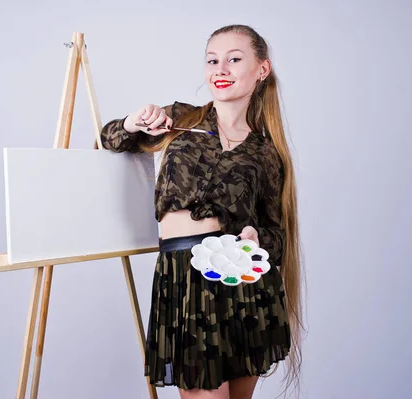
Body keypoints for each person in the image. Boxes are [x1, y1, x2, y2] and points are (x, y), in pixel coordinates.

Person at [100, 24, 303, 399]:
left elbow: (277, 235)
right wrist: (134, 121)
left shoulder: (265, 153)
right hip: (183, 279)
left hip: (241, 282)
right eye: (212, 60)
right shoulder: (181, 119)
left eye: (234, 59)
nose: (220, 69)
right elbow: (110, 138)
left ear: (262, 69)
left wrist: (256, 238)